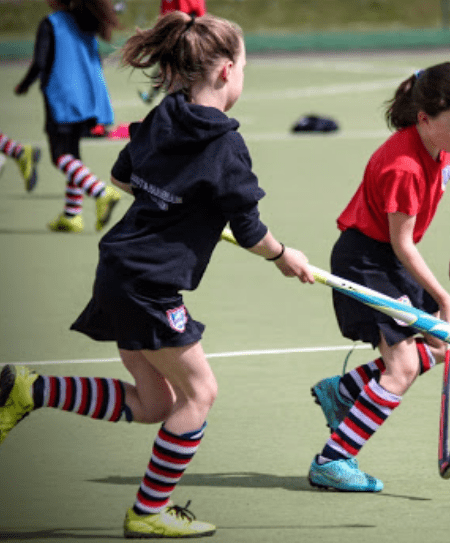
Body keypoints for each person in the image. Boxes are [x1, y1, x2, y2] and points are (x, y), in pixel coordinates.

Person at [0, 11, 314, 538]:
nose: (242, 77)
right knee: (200, 394)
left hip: (117, 268)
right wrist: (284, 256)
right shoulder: (226, 146)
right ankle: (148, 511)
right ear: (226, 71)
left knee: (154, 404)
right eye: (243, 68)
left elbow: (123, 178)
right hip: (148, 284)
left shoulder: (165, 114)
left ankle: (31, 389)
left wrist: (179, 205)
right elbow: (250, 230)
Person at [307, 62, 450, 492]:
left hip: (393, 260)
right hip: (366, 261)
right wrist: (444, 298)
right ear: (425, 119)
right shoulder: (403, 166)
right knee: (402, 368)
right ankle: (332, 460)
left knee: (441, 346)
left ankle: (343, 391)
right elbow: (402, 244)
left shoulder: (447, 147)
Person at [14, 0, 121, 233]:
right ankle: (72, 214)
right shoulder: (85, 20)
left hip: (62, 97)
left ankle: (101, 192)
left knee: (59, 156)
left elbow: (40, 62)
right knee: (72, 154)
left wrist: (24, 84)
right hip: (87, 97)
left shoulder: (51, 23)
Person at [138, 0, 207, 104]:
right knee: (165, 67)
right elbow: (165, 14)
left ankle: (163, 98)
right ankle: (156, 97)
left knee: (175, 68)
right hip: (174, 31)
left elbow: (191, 14)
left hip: (183, 32)